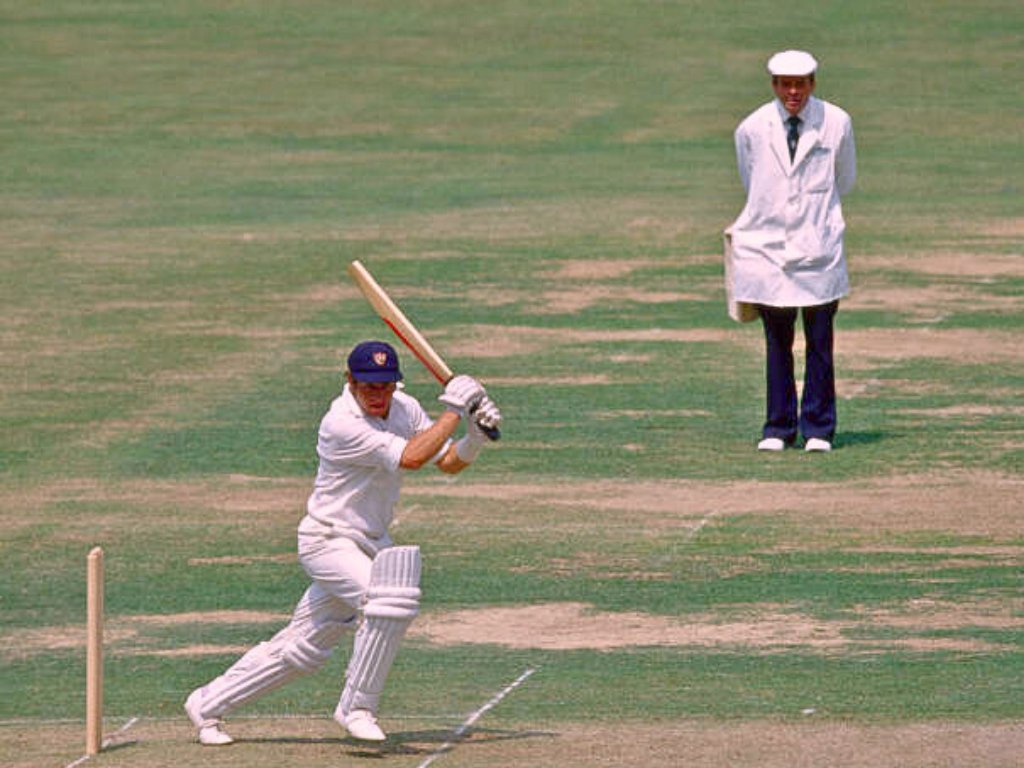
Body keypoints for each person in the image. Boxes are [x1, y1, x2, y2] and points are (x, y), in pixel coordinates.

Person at [184, 340, 501, 745]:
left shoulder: (404, 408)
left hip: (370, 541)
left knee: (304, 648)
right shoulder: (341, 422)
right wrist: (455, 410)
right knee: (388, 602)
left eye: (384, 386)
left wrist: (473, 436)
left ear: (395, 384)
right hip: (327, 540)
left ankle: (207, 704)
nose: (376, 394)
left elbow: (446, 462)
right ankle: (357, 708)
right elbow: (411, 458)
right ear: (350, 381)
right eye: (367, 385)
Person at [726, 49, 857, 453]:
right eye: (785, 85)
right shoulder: (751, 128)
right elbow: (754, 184)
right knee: (776, 342)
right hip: (770, 254)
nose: (793, 92)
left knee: (820, 342)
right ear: (774, 86)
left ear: (813, 83)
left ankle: (818, 427)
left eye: (800, 84)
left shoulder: (836, 122)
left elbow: (844, 179)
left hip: (819, 251)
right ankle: (778, 427)